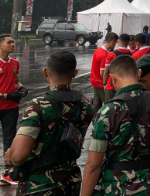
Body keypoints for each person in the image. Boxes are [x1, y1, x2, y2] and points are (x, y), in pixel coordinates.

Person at [81, 55, 150, 196]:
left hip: (117, 187)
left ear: (113, 78)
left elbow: (94, 164)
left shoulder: (107, 111)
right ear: (138, 73)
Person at [5, 50, 93, 196]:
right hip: (70, 182)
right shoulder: (85, 105)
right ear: (75, 73)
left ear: (45, 72)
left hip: (38, 186)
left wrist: (10, 155)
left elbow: (18, 156)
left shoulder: (38, 105)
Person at [0, 34, 28, 186]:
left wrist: (21, 88)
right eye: (9, 42)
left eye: (13, 42)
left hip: (11, 108)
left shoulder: (14, 63)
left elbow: (16, 82)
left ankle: (8, 174)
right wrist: (4, 95)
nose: (12, 45)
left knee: (10, 142)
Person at [90, 33, 117, 119]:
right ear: (112, 41)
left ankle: (95, 122)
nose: (115, 45)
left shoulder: (98, 50)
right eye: (115, 43)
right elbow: (103, 73)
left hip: (94, 80)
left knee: (96, 104)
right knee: (107, 105)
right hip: (100, 82)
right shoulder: (104, 54)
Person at [102, 33, 130, 102]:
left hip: (112, 85)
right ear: (128, 43)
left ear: (118, 41)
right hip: (126, 84)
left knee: (109, 106)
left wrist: (104, 83)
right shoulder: (132, 54)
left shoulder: (111, 54)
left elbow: (106, 71)